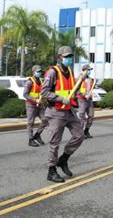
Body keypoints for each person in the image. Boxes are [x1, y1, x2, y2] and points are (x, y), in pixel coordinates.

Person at [41, 46, 85, 183]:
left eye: (70, 56)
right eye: (66, 57)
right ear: (60, 57)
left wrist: (77, 93)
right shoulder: (52, 72)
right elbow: (44, 92)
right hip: (55, 112)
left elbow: (71, 90)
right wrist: (60, 98)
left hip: (69, 110)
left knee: (79, 135)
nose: (69, 59)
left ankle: (63, 159)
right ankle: (51, 170)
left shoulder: (70, 72)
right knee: (54, 143)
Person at [23, 65, 48, 147]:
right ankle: (30, 140)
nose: (39, 73)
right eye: (38, 71)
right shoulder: (29, 82)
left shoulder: (41, 81)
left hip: (40, 105)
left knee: (45, 119)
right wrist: (34, 100)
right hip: (31, 105)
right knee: (30, 122)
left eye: (40, 71)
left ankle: (37, 135)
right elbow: (25, 94)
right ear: (33, 72)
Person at [77, 64, 95, 139]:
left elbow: (90, 89)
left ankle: (86, 131)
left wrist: (90, 95)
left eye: (90, 70)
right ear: (84, 70)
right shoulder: (79, 78)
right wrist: (84, 95)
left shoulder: (90, 79)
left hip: (89, 100)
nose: (89, 71)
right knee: (82, 117)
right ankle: (80, 133)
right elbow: (76, 90)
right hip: (82, 100)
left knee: (91, 116)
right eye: (88, 70)